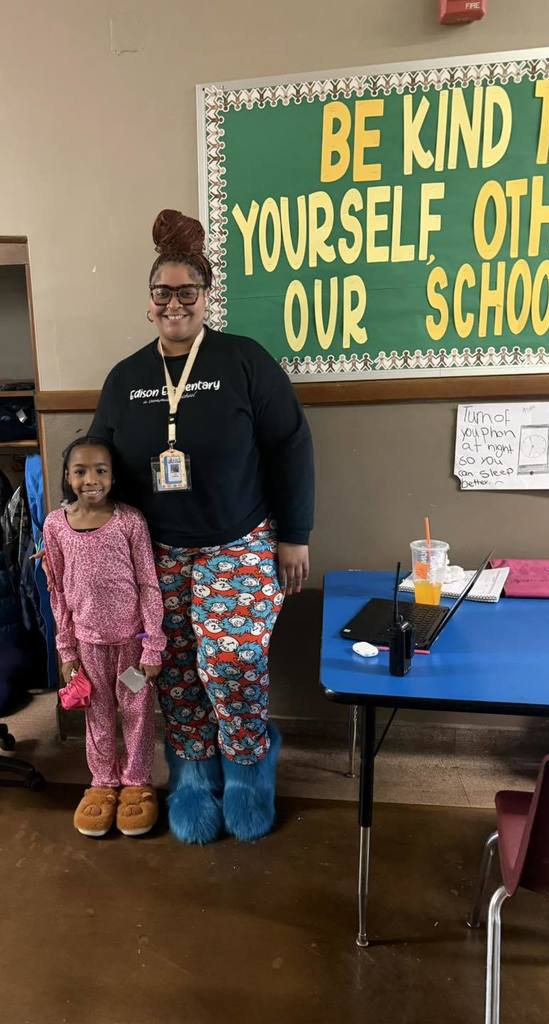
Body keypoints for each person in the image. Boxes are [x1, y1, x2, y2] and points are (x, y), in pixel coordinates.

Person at [89, 208, 314, 845]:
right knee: (175, 670)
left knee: (230, 663)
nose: (174, 303)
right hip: (155, 553)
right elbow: (98, 461)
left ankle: (247, 774)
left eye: (187, 291)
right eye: (162, 293)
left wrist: (295, 534)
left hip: (239, 543)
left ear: (207, 294)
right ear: (148, 301)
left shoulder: (244, 360)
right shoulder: (126, 377)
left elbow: (291, 445)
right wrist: (85, 538)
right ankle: (192, 779)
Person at [43, 437, 166, 838]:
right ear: (67, 476)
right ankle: (102, 783)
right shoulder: (54, 525)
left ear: (112, 476)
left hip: (132, 643)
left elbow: (148, 584)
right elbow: (58, 592)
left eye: (100, 470)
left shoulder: (130, 521)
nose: (91, 479)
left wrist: (153, 644)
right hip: (87, 644)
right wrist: (66, 649)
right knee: (96, 715)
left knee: (137, 713)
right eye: (80, 471)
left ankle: (137, 782)